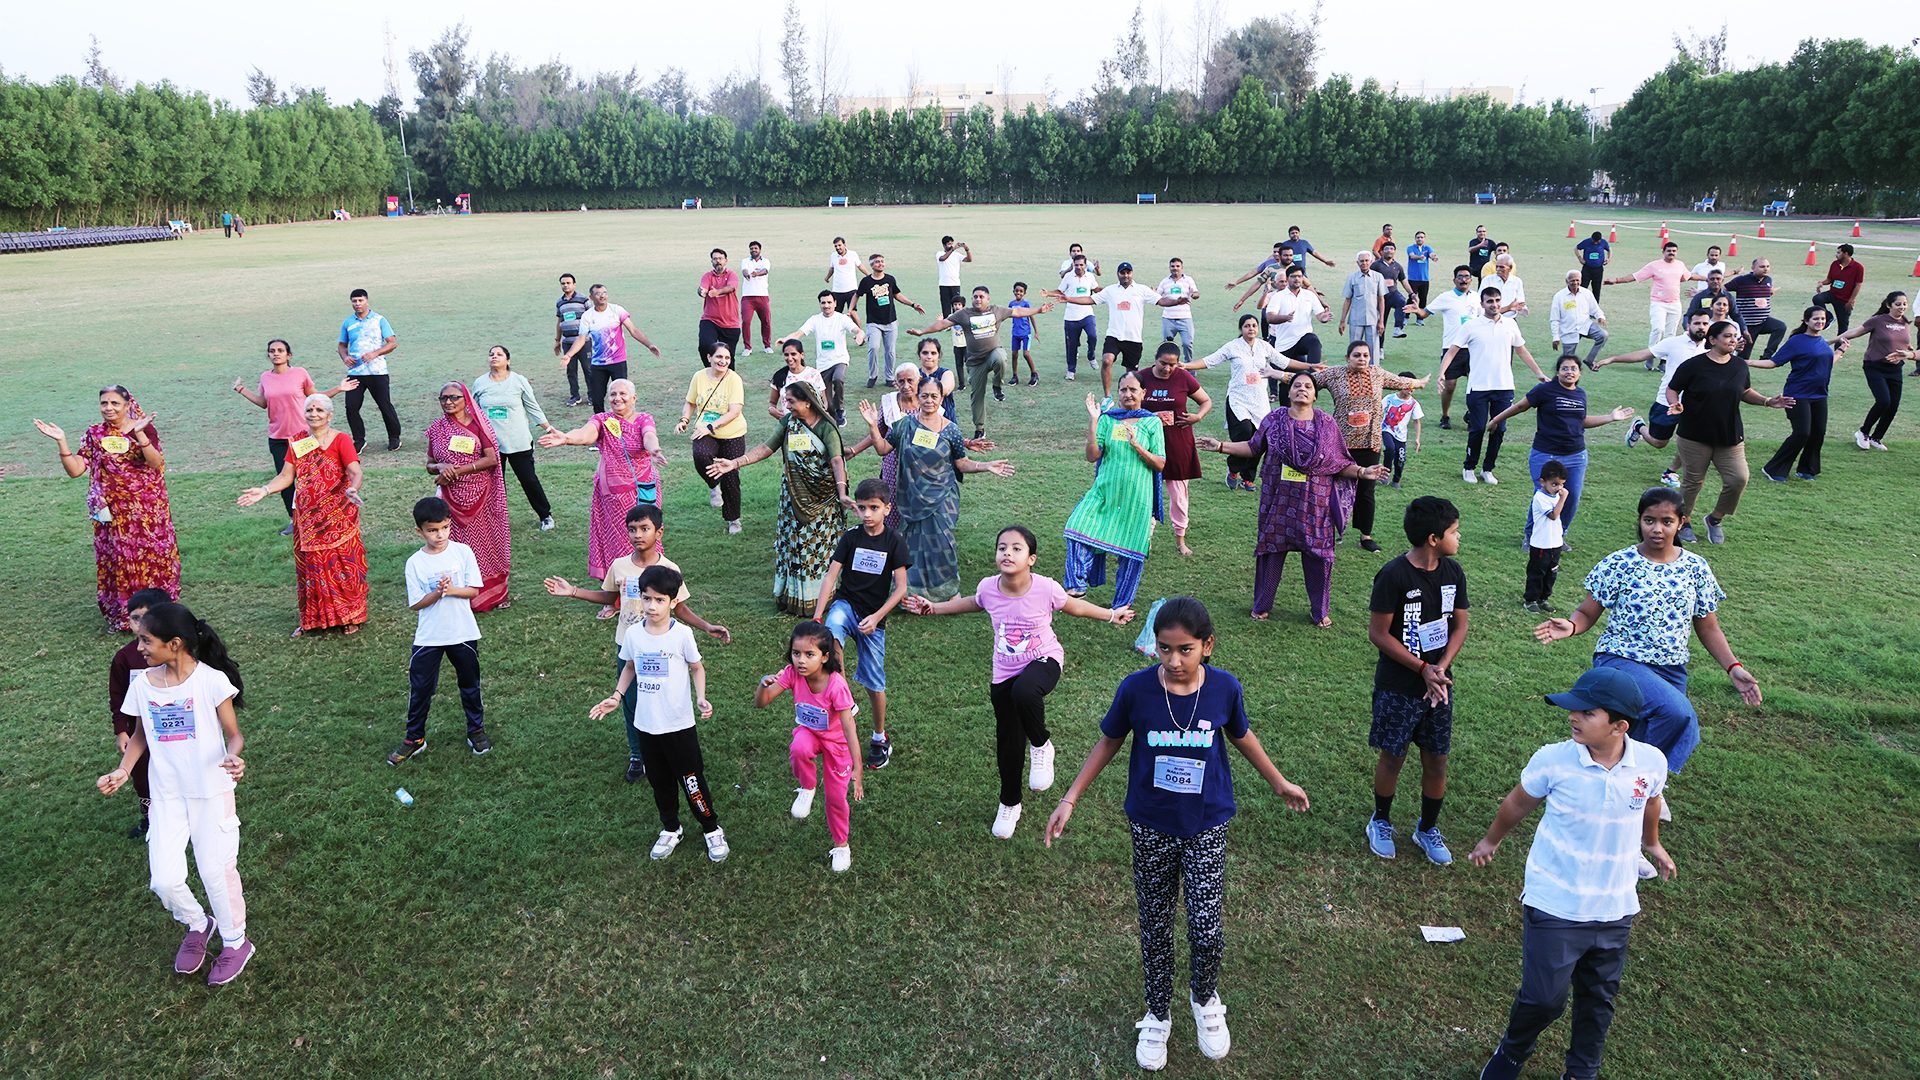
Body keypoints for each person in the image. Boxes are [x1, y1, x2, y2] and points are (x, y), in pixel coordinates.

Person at [1042, 597, 1311, 1071]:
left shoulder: (1225, 689)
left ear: (1207, 645)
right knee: (1156, 921)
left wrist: (1278, 781)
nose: (1174, 661)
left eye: (1185, 650)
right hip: (1151, 823)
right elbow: (1109, 740)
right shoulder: (1137, 690)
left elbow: (1241, 736)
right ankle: (1158, 1012)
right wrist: (1070, 798)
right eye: (1165, 649)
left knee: (1206, 926)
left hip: (1206, 823)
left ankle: (1204, 998)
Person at [1468, 667, 1675, 1080]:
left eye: (1586, 712)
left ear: (1620, 726)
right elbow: (1517, 804)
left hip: (1615, 906)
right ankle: (1511, 1052)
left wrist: (1652, 843)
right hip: (1555, 902)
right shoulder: (1555, 759)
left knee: (1599, 999)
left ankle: (1582, 1070)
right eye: (1573, 709)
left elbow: (1652, 800)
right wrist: (1491, 841)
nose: (1573, 717)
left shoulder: (1650, 762)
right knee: (1544, 1000)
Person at [1533, 486, 1765, 815]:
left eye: (1667, 521)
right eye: (1649, 520)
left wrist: (1733, 668)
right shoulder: (1620, 563)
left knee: (1634, 740)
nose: (1657, 529)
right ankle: (1645, 786)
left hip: (1671, 670)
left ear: (1681, 522)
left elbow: (1708, 626)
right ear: (1640, 521)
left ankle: (1626, 808)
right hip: (1621, 661)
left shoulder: (1696, 569)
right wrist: (1571, 626)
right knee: (1678, 714)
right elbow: (1587, 612)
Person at [904, 525, 1134, 839]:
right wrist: (935, 609)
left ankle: (1042, 744)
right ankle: (1010, 803)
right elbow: (973, 602)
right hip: (1004, 671)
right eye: (1002, 548)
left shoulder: (1045, 588)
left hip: (1045, 660)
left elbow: (1074, 606)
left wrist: (1110, 614)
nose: (1007, 553)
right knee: (1008, 744)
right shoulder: (988, 587)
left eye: (1016, 548)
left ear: (1031, 558)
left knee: (1026, 691)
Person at [98, 601, 256, 985]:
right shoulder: (142, 685)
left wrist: (233, 759)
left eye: (146, 640)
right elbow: (139, 735)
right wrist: (123, 770)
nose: (139, 648)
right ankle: (198, 923)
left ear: (175, 643)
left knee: (216, 871)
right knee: (164, 879)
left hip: (210, 791)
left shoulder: (211, 681)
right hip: (167, 795)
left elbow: (233, 736)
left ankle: (236, 942)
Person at [544, 503, 730, 781]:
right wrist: (573, 591)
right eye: (632, 529)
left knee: (665, 698)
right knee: (631, 701)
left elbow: (679, 607)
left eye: (645, 529)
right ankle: (637, 754)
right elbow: (610, 598)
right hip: (630, 645)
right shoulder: (619, 566)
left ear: (659, 532)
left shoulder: (669, 569)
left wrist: (706, 626)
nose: (638, 535)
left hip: (664, 647)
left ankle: (670, 746)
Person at [1197, 371, 1388, 626]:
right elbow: (1254, 447)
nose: (1302, 389)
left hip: (1315, 505)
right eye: (1297, 385)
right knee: (1271, 552)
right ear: (1288, 392)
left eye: (1308, 386)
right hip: (1278, 501)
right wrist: (1221, 446)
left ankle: (1319, 612)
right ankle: (1262, 605)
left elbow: (1339, 463)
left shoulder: (1327, 424)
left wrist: (1363, 472)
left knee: (1319, 557)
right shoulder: (1274, 420)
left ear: (1315, 395)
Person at [587, 564, 729, 863]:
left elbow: (696, 667)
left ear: (673, 602)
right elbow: (629, 667)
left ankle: (710, 827)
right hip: (647, 725)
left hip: (678, 725)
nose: (652, 606)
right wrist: (617, 696)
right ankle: (671, 828)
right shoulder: (634, 635)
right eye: (647, 598)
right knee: (660, 782)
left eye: (660, 600)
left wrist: (701, 698)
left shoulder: (683, 635)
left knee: (691, 780)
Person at [1364, 496, 1468, 864]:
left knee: (1437, 759)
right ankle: (1380, 820)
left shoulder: (1453, 573)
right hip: (1400, 686)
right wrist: (1422, 669)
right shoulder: (1393, 575)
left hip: (1439, 685)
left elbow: (1461, 624)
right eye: (1455, 531)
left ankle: (1427, 827)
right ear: (1433, 538)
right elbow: (1379, 633)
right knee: (1393, 756)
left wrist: (1440, 667)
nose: (1460, 537)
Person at [34, 384, 182, 630]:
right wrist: (61, 442)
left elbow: (155, 464)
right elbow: (76, 470)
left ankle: (158, 611)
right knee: (119, 560)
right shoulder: (95, 434)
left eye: (115, 403)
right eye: (104, 403)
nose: (109, 408)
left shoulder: (143, 428)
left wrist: (141, 434)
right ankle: (126, 616)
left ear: (127, 405)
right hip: (112, 512)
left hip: (146, 510)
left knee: (152, 556)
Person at [850, 383, 1010, 601]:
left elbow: (961, 463)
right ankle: (911, 592)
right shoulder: (904, 425)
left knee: (943, 544)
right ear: (918, 397)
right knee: (912, 546)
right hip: (912, 498)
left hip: (943, 498)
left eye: (934, 396)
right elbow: (882, 449)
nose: (929, 400)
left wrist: (986, 465)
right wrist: (872, 426)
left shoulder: (951, 429)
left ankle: (948, 591)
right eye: (924, 395)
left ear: (941, 399)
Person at [706, 381, 852, 616]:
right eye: (785, 400)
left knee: (818, 548)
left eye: (791, 401)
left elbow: (837, 461)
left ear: (808, 402)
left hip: (822, 499)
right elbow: (766, 447)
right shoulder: (788, 423)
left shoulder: (827, 427)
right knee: (794, 544)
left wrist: (842, 492)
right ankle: (793, 596)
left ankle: (819, 597)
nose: (786, 405)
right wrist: (734, 463)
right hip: (793, 496)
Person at [236, 393, 369, 636]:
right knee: (311, 566)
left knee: (342, 563)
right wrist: (264, 490)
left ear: (329, 415)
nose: (314, 414)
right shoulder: (298, 441)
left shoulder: (341, 440)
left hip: (337, 514)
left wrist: (353, 487)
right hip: (307, 518)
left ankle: (350, 615)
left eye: (319, 410)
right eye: (310, 410)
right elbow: (287, 477)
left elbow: (355, 471)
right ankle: (313, 619)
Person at [1665, 320, 1795, 543]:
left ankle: (1715, 519)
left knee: (1739, 478)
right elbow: (1672, 388)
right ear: (1712, 340)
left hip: (1729, 435)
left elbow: (1744, 391)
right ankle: (1683, 521)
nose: (1733, 339)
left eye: (1734, 336)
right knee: (1693, 482)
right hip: (1694, 434)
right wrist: (1675, 403)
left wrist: (1767, 401)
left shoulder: (1739, 366)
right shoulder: (1693, 365)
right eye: (1727, 336)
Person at [813, 478, 911, 772]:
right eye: (862, 508)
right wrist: (817, 616)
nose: (867, 514)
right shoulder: (851, 537)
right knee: (831, 633)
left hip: (873, 618)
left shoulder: (894, 541)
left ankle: (879, 737)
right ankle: (845, 697)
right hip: (846, 604)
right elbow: (831, 577)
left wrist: (878, 617)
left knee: (874, 682)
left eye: (874, 508)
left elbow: (901, 588)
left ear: (886, 509)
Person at [755, 621, 864, 873]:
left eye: (809, 654)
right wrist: (763, 684)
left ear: (825, 657)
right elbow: (762, 703)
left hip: (838, 746)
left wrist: (858, 768)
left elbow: (849, 727)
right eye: (796, 653)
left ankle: (841, 845)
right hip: (810, 734)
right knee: (800, 746)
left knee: (836, 799)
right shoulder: (793, 674)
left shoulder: (837, 685)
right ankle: (807, 787)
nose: (801, 661)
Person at [388, 496, 490, 765]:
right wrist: (436, 593)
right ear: (419, 531)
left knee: (470, 684)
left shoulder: (462, 552)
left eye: (444, 527)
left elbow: (473, 590)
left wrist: (451, 590)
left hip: (463, 633)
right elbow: (416, 604)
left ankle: (476, 730)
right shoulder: (415, 563)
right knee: (421, 688)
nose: (440, 535)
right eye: (432, 530)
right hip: (429, 637)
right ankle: (414, 738)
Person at [1490, 355, 1634, 543]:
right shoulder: (1544, 391)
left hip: (1576, 455)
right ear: (1558, 372)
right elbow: (1519, 406)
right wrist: (1496, 420)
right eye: (1565, 368)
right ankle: (1531, 535)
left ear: (1579, 373)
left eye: (1573, 368)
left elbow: (1581, 422)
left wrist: (1610, 417)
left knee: (1571, 497)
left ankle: (1559, 534)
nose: (1569, 372)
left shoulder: (1580, 394)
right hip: (1546, 453)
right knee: (1545, 495)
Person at [538, 378, 666, 588]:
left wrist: (654, 449)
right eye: (613, 394)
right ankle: (615, 595)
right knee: (617, 540)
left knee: (647, 536)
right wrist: (567, 438)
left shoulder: (644, 418)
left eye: (623, 394)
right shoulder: (603, 419)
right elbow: (586, 434)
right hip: (613, 496)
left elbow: (649, 435)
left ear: (634, 398)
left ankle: (652, 587)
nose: (618, 398)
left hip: (643, 492)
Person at [1310, 342, 1427, 552]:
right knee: (1336, 488)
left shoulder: (1377, 374)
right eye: (1357, 355)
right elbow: (1306, 382)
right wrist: (1278, 374)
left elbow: (1401, 381)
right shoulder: (1335, 374)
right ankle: (1331, 531)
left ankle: (1365, 535)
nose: (1362, 359)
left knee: (1366, 491)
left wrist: (1420, 382)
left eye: (1366, 355)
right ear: (1348, 357)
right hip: (1341, 444)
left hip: (1370, 443)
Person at [1183, 313, 1317, 490]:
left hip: (1260, 400)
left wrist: (1310, 366)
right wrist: (1185, 365)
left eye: (1254, 325)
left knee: (1260, 439)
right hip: (1238, 399)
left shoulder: (1264, 347)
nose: (1251, 328)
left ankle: (1248, 478)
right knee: (1244, 433)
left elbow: (1284, 362)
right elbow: (1210, 361)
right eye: (1247, 326)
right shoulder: (1233, 346)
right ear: (1241, 329)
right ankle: (1233, 470)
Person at [231, 339, 354, 529]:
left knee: (311, 477)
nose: (276, 354)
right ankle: (294, 520)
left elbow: (315, 398)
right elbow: (264, 402)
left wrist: (339, 388)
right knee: (285, 479)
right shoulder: (265, 377)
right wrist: (240, 389)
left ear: (289, 355)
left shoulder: (300, 373)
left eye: (280, 350)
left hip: (303, 437)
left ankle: (320, 515)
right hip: (278, 438)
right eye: (272, 351)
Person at [1064, 380, 1166, 607]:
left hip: (1137, 498)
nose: (1128, 394)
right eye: (1123, 390)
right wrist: (1093, 420)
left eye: (1133, 390)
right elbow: (1092, 455)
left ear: (1143, 392)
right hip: (1104, 492)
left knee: (1130, 552)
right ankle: (1076, 585)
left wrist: (1137, 445)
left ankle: (1122, 606)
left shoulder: (1152, 422)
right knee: (1076, 526)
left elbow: (1160, 463)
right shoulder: (1108, 419)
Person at [910, 285, 1052, 439]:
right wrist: (922, 331)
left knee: (1000, 357)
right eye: (975, 296)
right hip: (975, 362)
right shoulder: (963, 314)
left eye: (981, 296)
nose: (978, 299)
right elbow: (943, 324)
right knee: (977, 396)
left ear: (988, 299)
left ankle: (997, 385)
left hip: (992, 354)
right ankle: (980, 429)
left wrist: (1038, 310)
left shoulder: (996, 310)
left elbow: (1018, 311)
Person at [1442, 288, 1547, 485]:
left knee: (1499, 429)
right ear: (1482, 304)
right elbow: (1452, 351)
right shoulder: (1471, 326)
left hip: (1504, 386)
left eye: (1497, 300)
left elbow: (1522, 350)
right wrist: (1442, 373)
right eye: (1490, 301)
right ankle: (1469, 467)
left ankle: (1488, 469)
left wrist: (1538, 373)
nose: (1495, 304)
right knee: (1478, 428)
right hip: (1478, 387)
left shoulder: (1510, 324)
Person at [1602, 311, 1717, 487]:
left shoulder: (1711, 348)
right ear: (1688, 325)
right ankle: (1639, 427)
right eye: (1697, 323)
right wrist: (1613, 359)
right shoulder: (1673, 343)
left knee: (1691, 440)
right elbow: (1643, 355)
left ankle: (1670, 473)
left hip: (1695, 405)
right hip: (1667, 401)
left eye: (1704, 324)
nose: (1701, 327)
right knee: (1659, 442)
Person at [425, 382, 512, 612]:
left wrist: (457, 471)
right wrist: (441, 466)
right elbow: (429, 464)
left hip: (479, 495)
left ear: (466, 399)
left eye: (454, 397)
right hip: (449, 497)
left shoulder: (479, 425)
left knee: (485, 545)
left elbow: (492, 458)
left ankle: (491, 594)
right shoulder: (437, 428)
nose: (448, 402)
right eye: (443, 398)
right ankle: (458, 592)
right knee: (456, 545)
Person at [105, 587, 177, 838]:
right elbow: (118, 698)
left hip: (175, 727)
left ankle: (183, 817)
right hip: (141, 731)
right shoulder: (126, 658)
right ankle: (149, 819)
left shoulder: (177, 653)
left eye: (144, 617)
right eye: (134, 618)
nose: (139, 624)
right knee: (142, 775)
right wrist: (121, 731)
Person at [1051, 262, 1176, 397]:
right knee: (1106, 360)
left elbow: (1161, 301)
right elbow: (1090, 299)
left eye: (1128, 272)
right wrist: (1069, 298)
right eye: (1123, 273)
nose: (1126, 275)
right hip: (1114, 335)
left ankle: (1132, 397)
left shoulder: (1142, 290)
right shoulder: (1110, 290)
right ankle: (1107, 396)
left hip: (1133, 338)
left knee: (1132, 373)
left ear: (1132, 273)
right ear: (1118, 274)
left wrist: (1177, 301)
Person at [470, 346, 557, 530]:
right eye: (491, 354)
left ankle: (545, 516)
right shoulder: (480, 383)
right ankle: (495, 519)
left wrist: (548, 428)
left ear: (508, 360)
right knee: (494, 484)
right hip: (491, 444)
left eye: (499, 354)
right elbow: (473, 412)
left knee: (528, 480)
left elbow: (532, 406)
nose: (494, 357)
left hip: (518, 441)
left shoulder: (518, 381)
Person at [1138, 343, 1211, 556]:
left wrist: (1198, 416)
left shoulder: (1183, 377)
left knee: (1179, 496)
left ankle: (1180, 539)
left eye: (1172, 364)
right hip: (1149, 444)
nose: (1167, 369)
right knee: (1147, 494)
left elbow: (1206, 401)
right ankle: (1145, 540)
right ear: (1155, 359)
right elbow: (1129, 402)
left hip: (1179, 442)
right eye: (1163, 363)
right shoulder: (1141, 377)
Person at [1747, 308, 1836, 480]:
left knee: (1818, 432)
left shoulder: (1822, 341)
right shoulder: (1797, 341)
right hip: (1798, 394)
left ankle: (1806, 469)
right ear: (1806, 321)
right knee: (1802, 432)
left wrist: (1840, 352)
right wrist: (1747, 362)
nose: (1820, 322)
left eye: (1823, 319)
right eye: (1816, 319)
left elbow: (1825, 361)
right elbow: (1774, 362)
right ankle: (1773, 469)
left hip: (1819, 395)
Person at [677, 343, 747, 533]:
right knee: (700, 455)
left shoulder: (734, 379)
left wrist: (711, 426)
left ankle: (733, 520)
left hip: (732, 433)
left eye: (727, 358)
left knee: (731, 476)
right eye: (719, 357)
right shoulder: (699, 377)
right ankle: (714, 484)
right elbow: (690, 402)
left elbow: (734, 411)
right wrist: (684, 420)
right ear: (709, 357)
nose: (723, 361)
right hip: (704, 430)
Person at [563, 284, 663, 413]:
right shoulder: (587, 316)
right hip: (598, 364)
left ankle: (624, 425)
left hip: (618, 362)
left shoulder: (616, 310)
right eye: (598, 293)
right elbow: (581, 339)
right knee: (597, 399)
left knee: (622, 398)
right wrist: (569, 355)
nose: (602, 295)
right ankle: (601, 428)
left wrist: (649, 345)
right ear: (591, 297)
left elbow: (633, 330)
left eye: (604, 292)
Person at [1835, 290, 1914, 451]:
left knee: (1893, 405)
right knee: (1884, 400)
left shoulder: (1905, 322)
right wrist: (1831, 340)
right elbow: (1855, 332)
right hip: (1875, 366)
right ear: (1888, 305)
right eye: (1898, 304)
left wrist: (1908, 350)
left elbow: (1905, 342)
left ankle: (1876, 437)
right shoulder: (1878, 321)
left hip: (1895, 368)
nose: (1902, 307)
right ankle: (1863, 432)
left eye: (1904, 304)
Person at [1406, 265, 1481, 429]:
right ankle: (1445, 416)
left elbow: (1483, 317)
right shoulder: (1445, 297)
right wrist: (1417, 310)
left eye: (1467, 276)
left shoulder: (1476, 297)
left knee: (1476, 385)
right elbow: (1425, 313)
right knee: (1450, 385)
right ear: (1454, 280)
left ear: (1471, 279)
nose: (1464, 279)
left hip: (1474, 348)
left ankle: (1472, 415)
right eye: (1460, 276)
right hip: (1452, 348)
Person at [334, 288, 403, 452]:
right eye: (354, 301)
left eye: (360, 300)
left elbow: (392, 343)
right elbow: (342, 345)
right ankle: (359, 440)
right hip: (355, 372)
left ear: (366, 301)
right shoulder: (348, 322)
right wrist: (345, 358)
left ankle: (394, 438)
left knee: (384, 405)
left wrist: (375, 353)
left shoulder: (379, 320)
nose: (357, 304)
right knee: (351, 407)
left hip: (377, 372)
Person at [781, 291, 864, 425]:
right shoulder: (815, 319)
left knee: (838, 378)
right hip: (823, 364)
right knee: (827, 403)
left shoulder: (841, 318)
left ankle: (840, 409)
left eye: (829, 302)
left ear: (835, 303)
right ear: (820, 304)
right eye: (823, 303)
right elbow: (799, 333)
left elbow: (856, 330)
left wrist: (860, 334)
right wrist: (785, 339)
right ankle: (833, 419)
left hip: (839, 360)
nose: (826, 305)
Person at [1603, 241, 1703, 348]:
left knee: (1670, 333)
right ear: (1663, 252)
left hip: (1675, 304)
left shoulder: (1680, 265)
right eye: (1669, 251)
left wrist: (1708, 278)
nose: (1671, 253)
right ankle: (1651, 353)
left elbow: (1688, 276)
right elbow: (1635, 276)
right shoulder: (1654, 265)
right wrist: (1616, 280)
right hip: (1658, 303)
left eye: (1674, 251)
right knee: (1658, 329)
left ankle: (1664, 360)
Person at [853, 253, 925, 389]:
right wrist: (851, 309)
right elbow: (857, 295)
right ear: (872, 265)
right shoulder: (866, 281)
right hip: (874, 322)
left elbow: (897, 295)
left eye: (882, 261)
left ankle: (889, 377)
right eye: (877, 262)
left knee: (890, 351)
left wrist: (913, 304)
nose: (880, 264)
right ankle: (872, 376)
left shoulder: (890, 279)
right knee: (873, 347)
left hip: (891, 321)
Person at [1262, 265, 1334, 372]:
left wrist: (1324, 318)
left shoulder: (1309, 295)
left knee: (1313, 341)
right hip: (1284, 344)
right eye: (1293, 276)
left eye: (1300, 276)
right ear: (1287, 279)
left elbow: (1320, 315)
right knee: (1286, 383)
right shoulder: (1278, 296)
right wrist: (1285, 318)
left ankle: (1314, 376)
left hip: (1302, 339)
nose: (1297, 279)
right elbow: (1270, 318)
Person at [1525, 461, 1569, 612]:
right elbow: (1553, 515)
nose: (1558, 488)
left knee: (1551, 573)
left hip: (1555, 542)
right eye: (1555, 484)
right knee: (1537, 572)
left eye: (1561, 485)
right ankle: (1531, 599)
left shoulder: (1556, 495)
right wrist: (1563, 499)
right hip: (1541, 544)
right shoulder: (1540, 497)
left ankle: (1543, 598)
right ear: (1542, 481)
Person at [1725, 257, 1786, 361]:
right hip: (1747, 325)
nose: (1765, 269)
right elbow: (1722, 289)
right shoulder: (1742, 280)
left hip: (1763, 321)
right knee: (1743, 357)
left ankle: (1767, 356)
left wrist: (1770, 292)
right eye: (1762, 266)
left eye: (1767, 266)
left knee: (1780, 327)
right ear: (1753, 268)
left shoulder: (1768, 280)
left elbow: (1764, 294)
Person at [1548, 270, 1609, 369]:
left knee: (1603, 335)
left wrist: (1600, 317)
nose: (1575, 283)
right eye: (1572, 280)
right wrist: (1556, 337)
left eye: (1577, 280)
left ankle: (1589, 360)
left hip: (1585, 325)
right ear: (1566, 281)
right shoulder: (1559, 296)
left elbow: (1595, 309)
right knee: (1568, 360)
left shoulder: (1586, 293)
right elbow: (1554, 319)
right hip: (1569, 330)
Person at [1059, 249, 1103, 381]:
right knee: (1071, 345)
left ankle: (1091, 355)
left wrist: (1110, 290)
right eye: (1076, 265)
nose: (1079, 267)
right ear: (1073, 264)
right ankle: (1071, 370)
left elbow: (1096, 289)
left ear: (1085, 265)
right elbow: (1060, 290)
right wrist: (1048, 293)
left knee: (1093, 336)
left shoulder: (1090, 277)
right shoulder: (1068, 277)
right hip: (1071, 316)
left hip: (1087, 314)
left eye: (1081, 265)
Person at [1339, 250, 1389, 362]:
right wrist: (1342, 321)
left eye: (1367, 260)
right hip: (1356, 319)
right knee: (1354, 348)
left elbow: (1381, 299)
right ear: (1357, 263)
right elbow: (1347, 300)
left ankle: (1374, 374)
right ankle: (1353, 372)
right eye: (1361, 261)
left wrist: (1381, 321)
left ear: (1371, 262)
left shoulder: (1378, 277)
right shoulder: (1352, 278)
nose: (1364, 263)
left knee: (1373, 350)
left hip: (1373, 319)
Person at [696, 247, 742, 364]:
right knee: (705, 346)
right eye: (715, 259)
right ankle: (709, 371)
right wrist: (702, 292)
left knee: (728, 357)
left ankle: (728, 379)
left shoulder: (732, 275)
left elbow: (731, 287)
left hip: (730, 323)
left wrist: (717, 292)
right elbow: (702, 288)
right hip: (710, 320)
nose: (718, 261)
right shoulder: (707, 276)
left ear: (726, 260)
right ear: (711, 261)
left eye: (720, 258)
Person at [767, 338, 828, 420]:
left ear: (802, 355)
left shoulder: (813, 374)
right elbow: (772, 403)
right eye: (786, 355)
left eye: (793, 354)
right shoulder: (779, 376)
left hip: (811, 424)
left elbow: (824, 403)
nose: (789, 358)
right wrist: (772, 410)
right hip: (789, 425)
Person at [554, 273, 590, 406]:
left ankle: (592, 395)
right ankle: (575, 396)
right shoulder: (560, 302)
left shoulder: (583, 299)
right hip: (567, 342)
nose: (565, 285)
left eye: (568, 283)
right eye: (563, 283)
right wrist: (557, 340)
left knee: (588, 369)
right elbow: (559, 321)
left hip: (584, 342)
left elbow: (591, 317)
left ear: (574, 284)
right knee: (571, 370)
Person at [1812, 243, 1865, 334]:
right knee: (1817, 298)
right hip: (1832, 294)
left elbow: (1858, 285)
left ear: (1846, 254)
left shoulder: (1858, 267)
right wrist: (1821, 283)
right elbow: (1830, 279)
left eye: (1838, 252)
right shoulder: (1835, 264)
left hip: (1844, 300)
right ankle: (1829, 317)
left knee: (1843, 327)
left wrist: (1851, 300)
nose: (1836, 255)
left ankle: (1839, 347)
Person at [1381, 377, 1422, 487]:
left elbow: (1417, 421)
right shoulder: (1389, 398)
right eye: (1408, 386)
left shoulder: (1414, 404)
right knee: (1390, 448)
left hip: (1401, 435)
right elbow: (1378, 410)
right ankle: (1385, 474)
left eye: (1413, 387)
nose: (1411, 390)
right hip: (1387, 429)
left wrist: (1417, 438)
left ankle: (1396, 480)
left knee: (1401, 458)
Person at [1157, 257, 1201, 362]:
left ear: (1182, 267)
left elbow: (1196, 292)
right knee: (1167, 345)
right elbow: (1157, 296)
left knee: (1187, 344)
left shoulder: (1188, 280)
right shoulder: (1164, 282)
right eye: (1172, 266)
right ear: (1169, 267)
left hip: (1185, 318)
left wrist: (1195, 295)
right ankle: (1168, 364)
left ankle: (1189, 368)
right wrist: (1153, 292)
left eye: (1177, 266)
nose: (1175, 268)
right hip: (1168, 318)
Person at [1373, 242, 1412, 339]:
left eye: (1391, 248)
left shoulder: (1398, 266)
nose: (1389, 251)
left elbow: (1403, 280)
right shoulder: (1375, 265)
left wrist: (1412, 293)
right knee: (1381, 323)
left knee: (1402, 302)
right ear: (1381, 252)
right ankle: (1380, 349)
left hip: (1393, 294)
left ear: (1394, 251)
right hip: (1380, 297)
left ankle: (1398, 328)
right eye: (1386, 249)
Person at [1008, 281, 1039, 385]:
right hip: (1015, 333)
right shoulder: (1011, 304)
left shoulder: (1026, 304)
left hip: (1026, 333)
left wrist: (1036, 332)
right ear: (1013, 291)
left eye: (1021, 291)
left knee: (1026, 354)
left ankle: (1034, 373)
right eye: (1017, 291)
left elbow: (1032, 317)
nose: (1018, 293)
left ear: (1024, 293)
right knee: (1014, 354)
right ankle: (1015, 376)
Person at [823, 235, 863, 313]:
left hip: (851, 288)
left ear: (844, 245)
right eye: (835, 246)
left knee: (852, 312)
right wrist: (827, 277)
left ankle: (858, 326)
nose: (838, 247)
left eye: (839, 245)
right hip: (837, 289)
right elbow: (832, 268)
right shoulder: (833, 256)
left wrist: (869, 275)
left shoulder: (853, 254)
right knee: (836, 312)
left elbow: (860, 265)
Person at [936, 235, 971, 313]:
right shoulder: (940, 253)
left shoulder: (957, 255)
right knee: (946, 307)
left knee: (957, 307)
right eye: (949, 244)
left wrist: (967, 249)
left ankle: (956, 324)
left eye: (951, 243)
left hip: (955, 284)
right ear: (944, 245)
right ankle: (946, 324)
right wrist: (953, 249)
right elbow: (943, 259)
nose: (951, 245)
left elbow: (969, 259)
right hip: (944, 284)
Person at [1405, 231, 1435, 314]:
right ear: (1415, 239)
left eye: (1422, 237)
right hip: (1413, 278)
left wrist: (1433, 257)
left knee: (1423, 298)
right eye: (1418, 237)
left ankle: (1420, 318)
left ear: (1424, 239)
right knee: (1412, 298)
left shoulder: (1427, 248)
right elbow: (1412, 256)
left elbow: (1432, 254)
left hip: (1424, 278)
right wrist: (1420, 257)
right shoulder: (1410, 248)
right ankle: (1406, 316)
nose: (1420, 239)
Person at [1574, 230, 1610, 300]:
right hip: (1587, 269)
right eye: (1594, 241)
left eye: (1597, 241)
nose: (1595, 242)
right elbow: (1576, 248)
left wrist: (1608, 259)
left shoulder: (1603, 242)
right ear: (1592, 238)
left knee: (1596, 289)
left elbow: (1609, 249)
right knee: (1582, 288)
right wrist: (1580, 258)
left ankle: (1595, 306)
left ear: (1600, 239)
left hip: (1598, 269)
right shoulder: (1586, 242)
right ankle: (1580, 302)